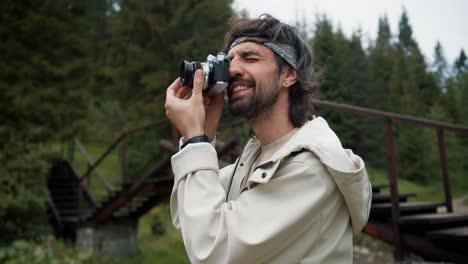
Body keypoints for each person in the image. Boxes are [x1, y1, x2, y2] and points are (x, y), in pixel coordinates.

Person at [164, 14, 371, 263]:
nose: (233, 70)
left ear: (288, 75)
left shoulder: (309, 168)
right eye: (229, 61)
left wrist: (195, 140)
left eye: (250, 58)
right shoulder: (257, 156)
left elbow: (211, 251)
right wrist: (203, 134)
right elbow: (189, 218)